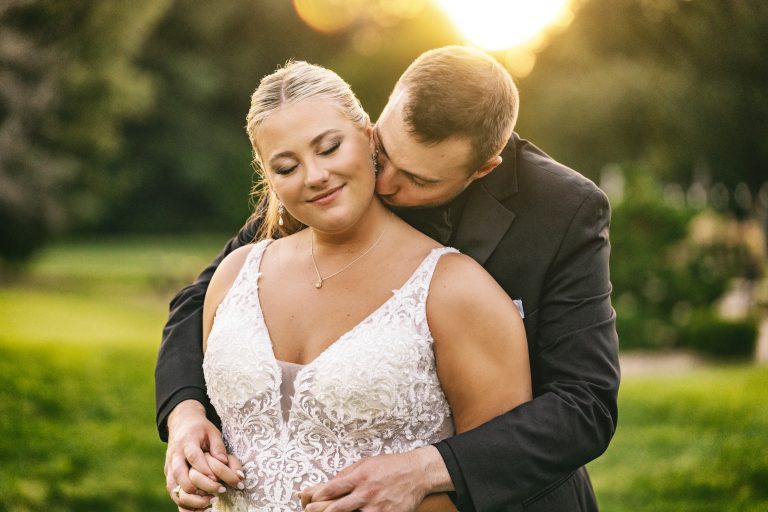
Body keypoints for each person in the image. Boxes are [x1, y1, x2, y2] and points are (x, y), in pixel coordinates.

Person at [156, 46, 620, 511]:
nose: (384, 181)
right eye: (383, 152)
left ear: (482, 170)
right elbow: (201, 298)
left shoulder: (560, 210)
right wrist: (185, 414)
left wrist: (426, 469)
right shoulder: (328, 173)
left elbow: (584, 406)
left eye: (417, 179)